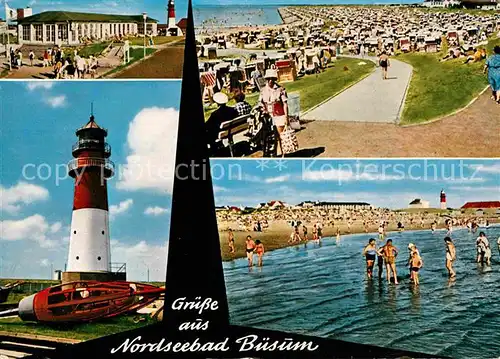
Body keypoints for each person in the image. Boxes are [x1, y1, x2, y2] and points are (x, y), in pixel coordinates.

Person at [259, 68, 289, 154]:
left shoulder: (280, 89)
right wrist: (263, 109)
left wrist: (286, 117)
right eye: (268, 79)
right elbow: (260, 103)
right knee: (271, 138)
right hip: (268, 117)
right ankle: (275, 154)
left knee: (281, 137)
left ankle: (284, 154)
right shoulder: (263, 90)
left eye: (272, 79)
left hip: (279, 115)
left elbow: (285, 104)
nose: (270, 81)